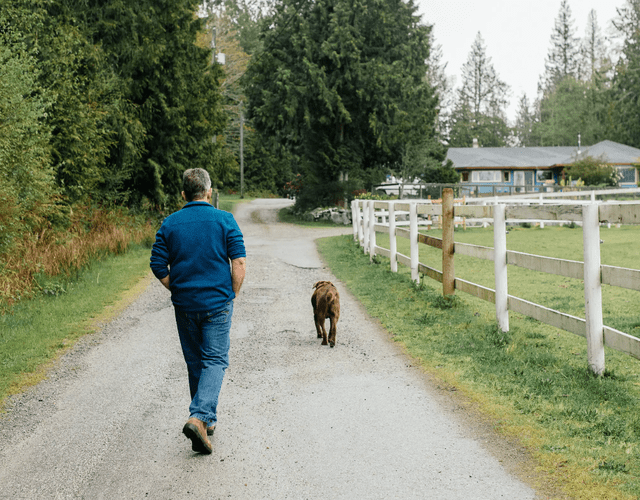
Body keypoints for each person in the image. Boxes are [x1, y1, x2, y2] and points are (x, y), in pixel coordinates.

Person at [150, 168, 246, 454]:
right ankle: (199, 417)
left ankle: (207, 420)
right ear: (208, 191)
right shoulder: (224, 220)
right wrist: (231, 295)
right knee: (215, 360)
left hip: (185, 305)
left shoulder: (170, 223)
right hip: (217, 304)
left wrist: (176, 289)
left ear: (183, 194)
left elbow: (157, 265)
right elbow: (238, 263)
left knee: (195, 362)